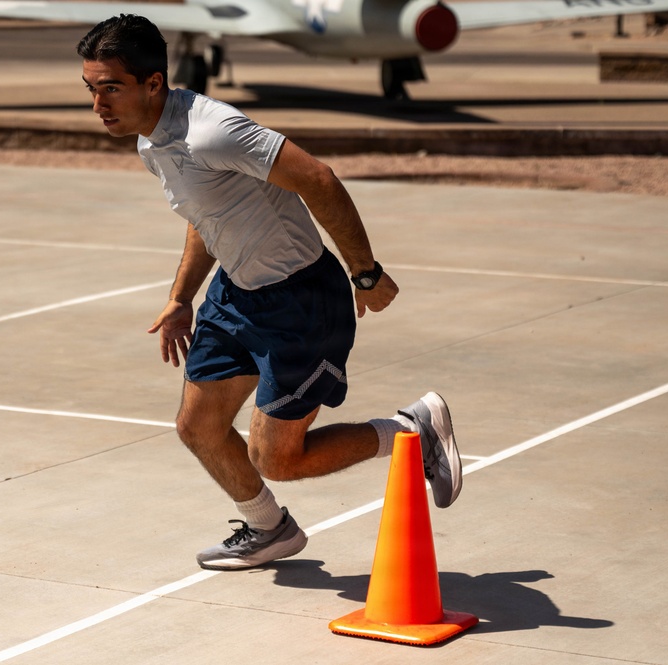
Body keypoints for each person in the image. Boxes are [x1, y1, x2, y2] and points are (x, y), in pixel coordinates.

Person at [76, 14, 463, 571]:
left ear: (153, 83)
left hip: (299, 301)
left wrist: (366, 274)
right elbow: (207, 212)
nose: (98, 104)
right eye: (91, 88)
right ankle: (269, 529)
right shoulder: (152, 139)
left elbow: (319, 179)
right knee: (199, 426)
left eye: (110, 88)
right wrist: (183, 296)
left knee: (277, 459)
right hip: (236, 294)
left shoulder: (212, 130)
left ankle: (411, 430)